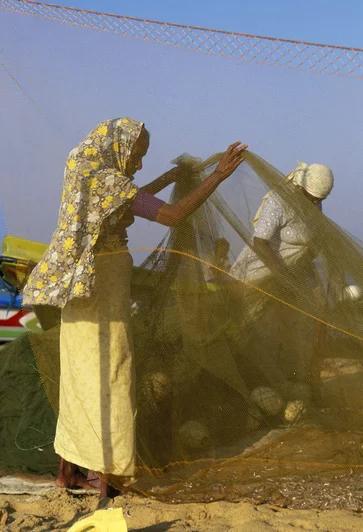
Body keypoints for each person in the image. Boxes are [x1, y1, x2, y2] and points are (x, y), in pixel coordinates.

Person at [22, 117, 247, 498]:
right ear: (119, 147)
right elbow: (171, 215)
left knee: (79, 376)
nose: (139, 163)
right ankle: (108, 479)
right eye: (137, 155)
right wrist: (218, 177)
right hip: (103, 287)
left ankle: (67, 472)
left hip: (81, 289)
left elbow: (130, 196)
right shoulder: (108, 181)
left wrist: (168, 178)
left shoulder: (85, 165)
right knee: (111, 374)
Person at [230, 162, 334, 394]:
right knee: (254, 330)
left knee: (301, 324)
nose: (316, 203)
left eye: (320, 200)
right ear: (299, 188)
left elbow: (310, 244)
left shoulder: (313, 208)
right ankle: (247, 385)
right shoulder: (278, 201)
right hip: (260, 274)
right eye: (313, 197)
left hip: (295, 273)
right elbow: (261, 243)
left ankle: (298, 379)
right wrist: (284, 279)